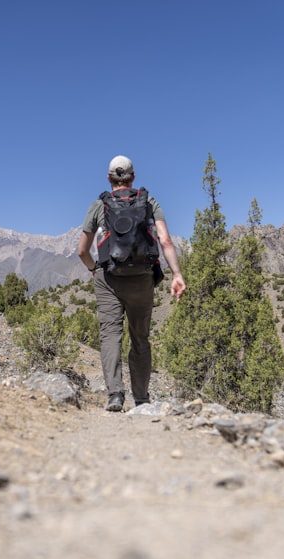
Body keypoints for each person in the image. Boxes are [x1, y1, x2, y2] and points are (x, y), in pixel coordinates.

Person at [77, 155, 186, 412]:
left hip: (109, 279)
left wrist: (95, 271)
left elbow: (82, 251)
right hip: (142, 279)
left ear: (108, 178)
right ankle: (141, 398)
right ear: (133, 177)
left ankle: (115, 395)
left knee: (110, 336)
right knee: (140, 338)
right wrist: (176, 274)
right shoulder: (148, 201)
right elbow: (165, 241)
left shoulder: (98, 205)